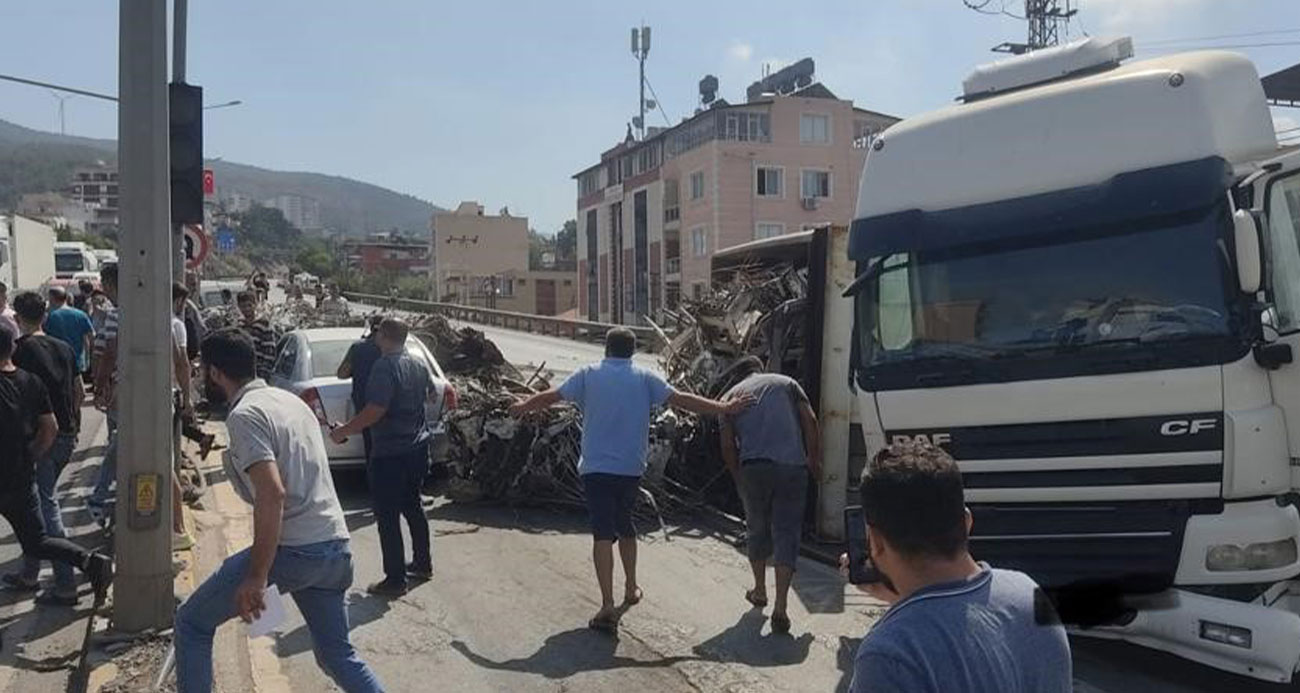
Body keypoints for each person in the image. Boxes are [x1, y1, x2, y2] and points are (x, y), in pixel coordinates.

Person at [176, 329, 384, 692]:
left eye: (200, 369)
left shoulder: (245, 415)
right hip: (335, 549)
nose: (197, 376)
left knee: (192, 623)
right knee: (337, 655)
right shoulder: (290, 402)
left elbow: (272, 493)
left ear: (215, 373)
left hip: (294, 552)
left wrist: (257, 576)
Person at [509, 327, 754, 631]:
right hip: (630, 468)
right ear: (633, 351)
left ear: (606, 349)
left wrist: (521, 406)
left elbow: (551, 396)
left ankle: (607, 605)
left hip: (596, 468)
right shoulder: (644, 377)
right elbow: (683, 400)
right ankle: (631, 587)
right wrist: (724, 407)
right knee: (625, 524)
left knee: (602, 533)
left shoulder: (588, 374)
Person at [844, 441, 1072, 693]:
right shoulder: (1029, 594)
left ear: (875, 543)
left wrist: (909, 611)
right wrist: (907, 604)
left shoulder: (890, 654)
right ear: (966, 522)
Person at [0, 326, 112, 601]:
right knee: (37, 540)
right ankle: (89, 561)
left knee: (36, 537)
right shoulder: (31, 382)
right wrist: (30, 458)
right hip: (21, 475)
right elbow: (49, 427)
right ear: (13, 348)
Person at [330, 319, 432, 597]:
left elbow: (375, 409)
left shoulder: (385, 367)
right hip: (417, 447)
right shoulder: (417, 364)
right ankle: (422, 563)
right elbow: (430, 397)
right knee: (413, 505)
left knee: (387, 515)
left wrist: (344, 431)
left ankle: (395, 579)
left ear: (382, 336)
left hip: (390, 452)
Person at [720, 356, 821, 634]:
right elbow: (810, 420)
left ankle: (760, 590)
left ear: (739, 376)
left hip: (755, 468)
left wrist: (738, 476)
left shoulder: (730, 397)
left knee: (757, 527)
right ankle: (781, 606)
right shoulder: (787, 383)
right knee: (787, 531)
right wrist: (813, 459)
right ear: (760, 370)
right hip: (793, 467)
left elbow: (728, 446)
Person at [3, 291, 83, 604]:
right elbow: (77, 390)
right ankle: (30, 573)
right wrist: (73, 424)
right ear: (44, 315)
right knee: (34, 509)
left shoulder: (21, 352)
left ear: (18, 318)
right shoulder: (63, 347)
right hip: (66, 433)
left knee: (46, 510)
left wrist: (31, 451)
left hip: (42, 439)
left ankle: (65, 583)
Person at [336, 315, 385, 461]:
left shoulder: (358, 348)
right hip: (391, 410)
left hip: (364, 407)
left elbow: (342, 374)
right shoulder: (393, 348)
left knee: (372, 451)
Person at [43, 286, 95, 381]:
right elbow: (92, 337)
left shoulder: (52, 317)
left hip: (58, 362)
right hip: (78, 360)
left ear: (51, 298)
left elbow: (46, 338)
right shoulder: (81, 315)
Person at [235, 290, 278, 381]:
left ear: (255, 304)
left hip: (260, 374)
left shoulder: (264, 325)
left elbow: (269, 352)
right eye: (243, 306)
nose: (247, 309)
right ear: (239, 307)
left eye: (249, 305)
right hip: (243, 374)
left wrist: (263, 374)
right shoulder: (239, 326)